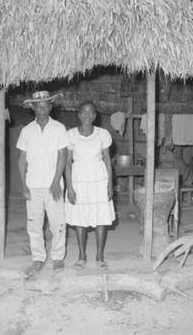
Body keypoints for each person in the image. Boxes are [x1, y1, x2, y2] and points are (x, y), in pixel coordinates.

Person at [17, 91, 68, 273]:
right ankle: (38, 258)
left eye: (46, 106)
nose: (42, 110)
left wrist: (55, 182)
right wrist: (24, 185)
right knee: (34, 224)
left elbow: (63, 156)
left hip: (54, 186)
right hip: (33, 185)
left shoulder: (59, 128)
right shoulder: (26, 131)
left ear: (51, 107)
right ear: (33, 108)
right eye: (39, 107)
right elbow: (21, 160)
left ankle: (57, 257)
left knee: (58, 223)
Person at [65, 101, 115, 270]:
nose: (87, 115)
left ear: (95, 116)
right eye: (83, 112)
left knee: (101, 217)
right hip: (79, 178)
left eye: (90, 113)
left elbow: (107, 159)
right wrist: (69, 187)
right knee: (80, 218)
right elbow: (67, 164)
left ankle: (100, 255)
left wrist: (110, 184)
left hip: (99, 178)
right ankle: (82, 255)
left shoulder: (103, 134)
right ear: (79, 115)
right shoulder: (70, 134)